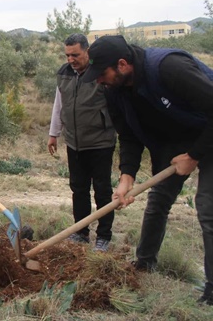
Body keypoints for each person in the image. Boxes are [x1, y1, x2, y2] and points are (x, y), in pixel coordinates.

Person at [83, 34, 213, 305]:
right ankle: (144, 264)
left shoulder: (169, 68)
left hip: (208, 131)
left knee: (208, 209)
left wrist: (194, 156)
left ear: (122, 64)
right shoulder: (113, 89)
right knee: (157, 201)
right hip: (175, 139)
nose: (98, 80)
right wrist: (126, 176)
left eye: (101, 73)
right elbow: (128, 134)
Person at [47, 34, 116, 252]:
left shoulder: (100, 73)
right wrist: (53, 133)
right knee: (78, 189)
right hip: (74, 143)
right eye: (67, 55)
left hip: (100, 142)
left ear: (87, 51)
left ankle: (104, 236)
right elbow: (59, 105)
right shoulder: (64, 73)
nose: (70, 59)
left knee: (103, 190)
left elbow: (117, 105)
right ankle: (81, 232)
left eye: (75, 55)